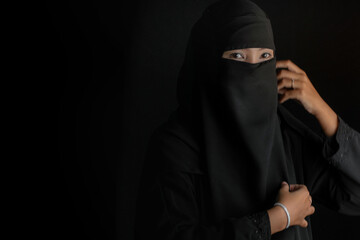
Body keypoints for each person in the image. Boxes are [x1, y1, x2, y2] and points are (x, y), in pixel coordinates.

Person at [134, 0, 360, 239]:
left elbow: (355, 195)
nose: (253, 69)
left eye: (264, 55)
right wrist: (277, 218)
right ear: (210, 62)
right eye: (238, 55)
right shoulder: (175, 146)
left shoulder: (283, 136)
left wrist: (321, 109)